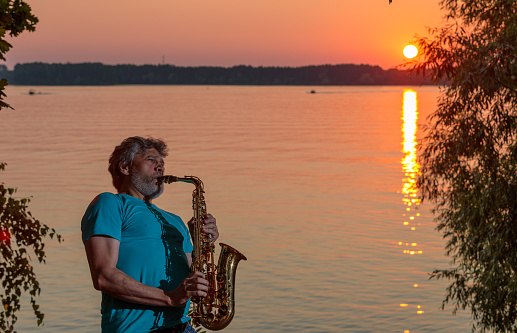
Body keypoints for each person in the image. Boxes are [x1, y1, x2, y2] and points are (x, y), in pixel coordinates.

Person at [81, 136, 219, 333]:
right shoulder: (110, 203)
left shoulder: (175, 220)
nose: (160, 167)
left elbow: (192, 279)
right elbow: (104, 276)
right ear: (125, 167)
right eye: (151, 160)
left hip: (183, 328)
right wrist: (169, 298)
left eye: (162, 163)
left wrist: (202, 243)